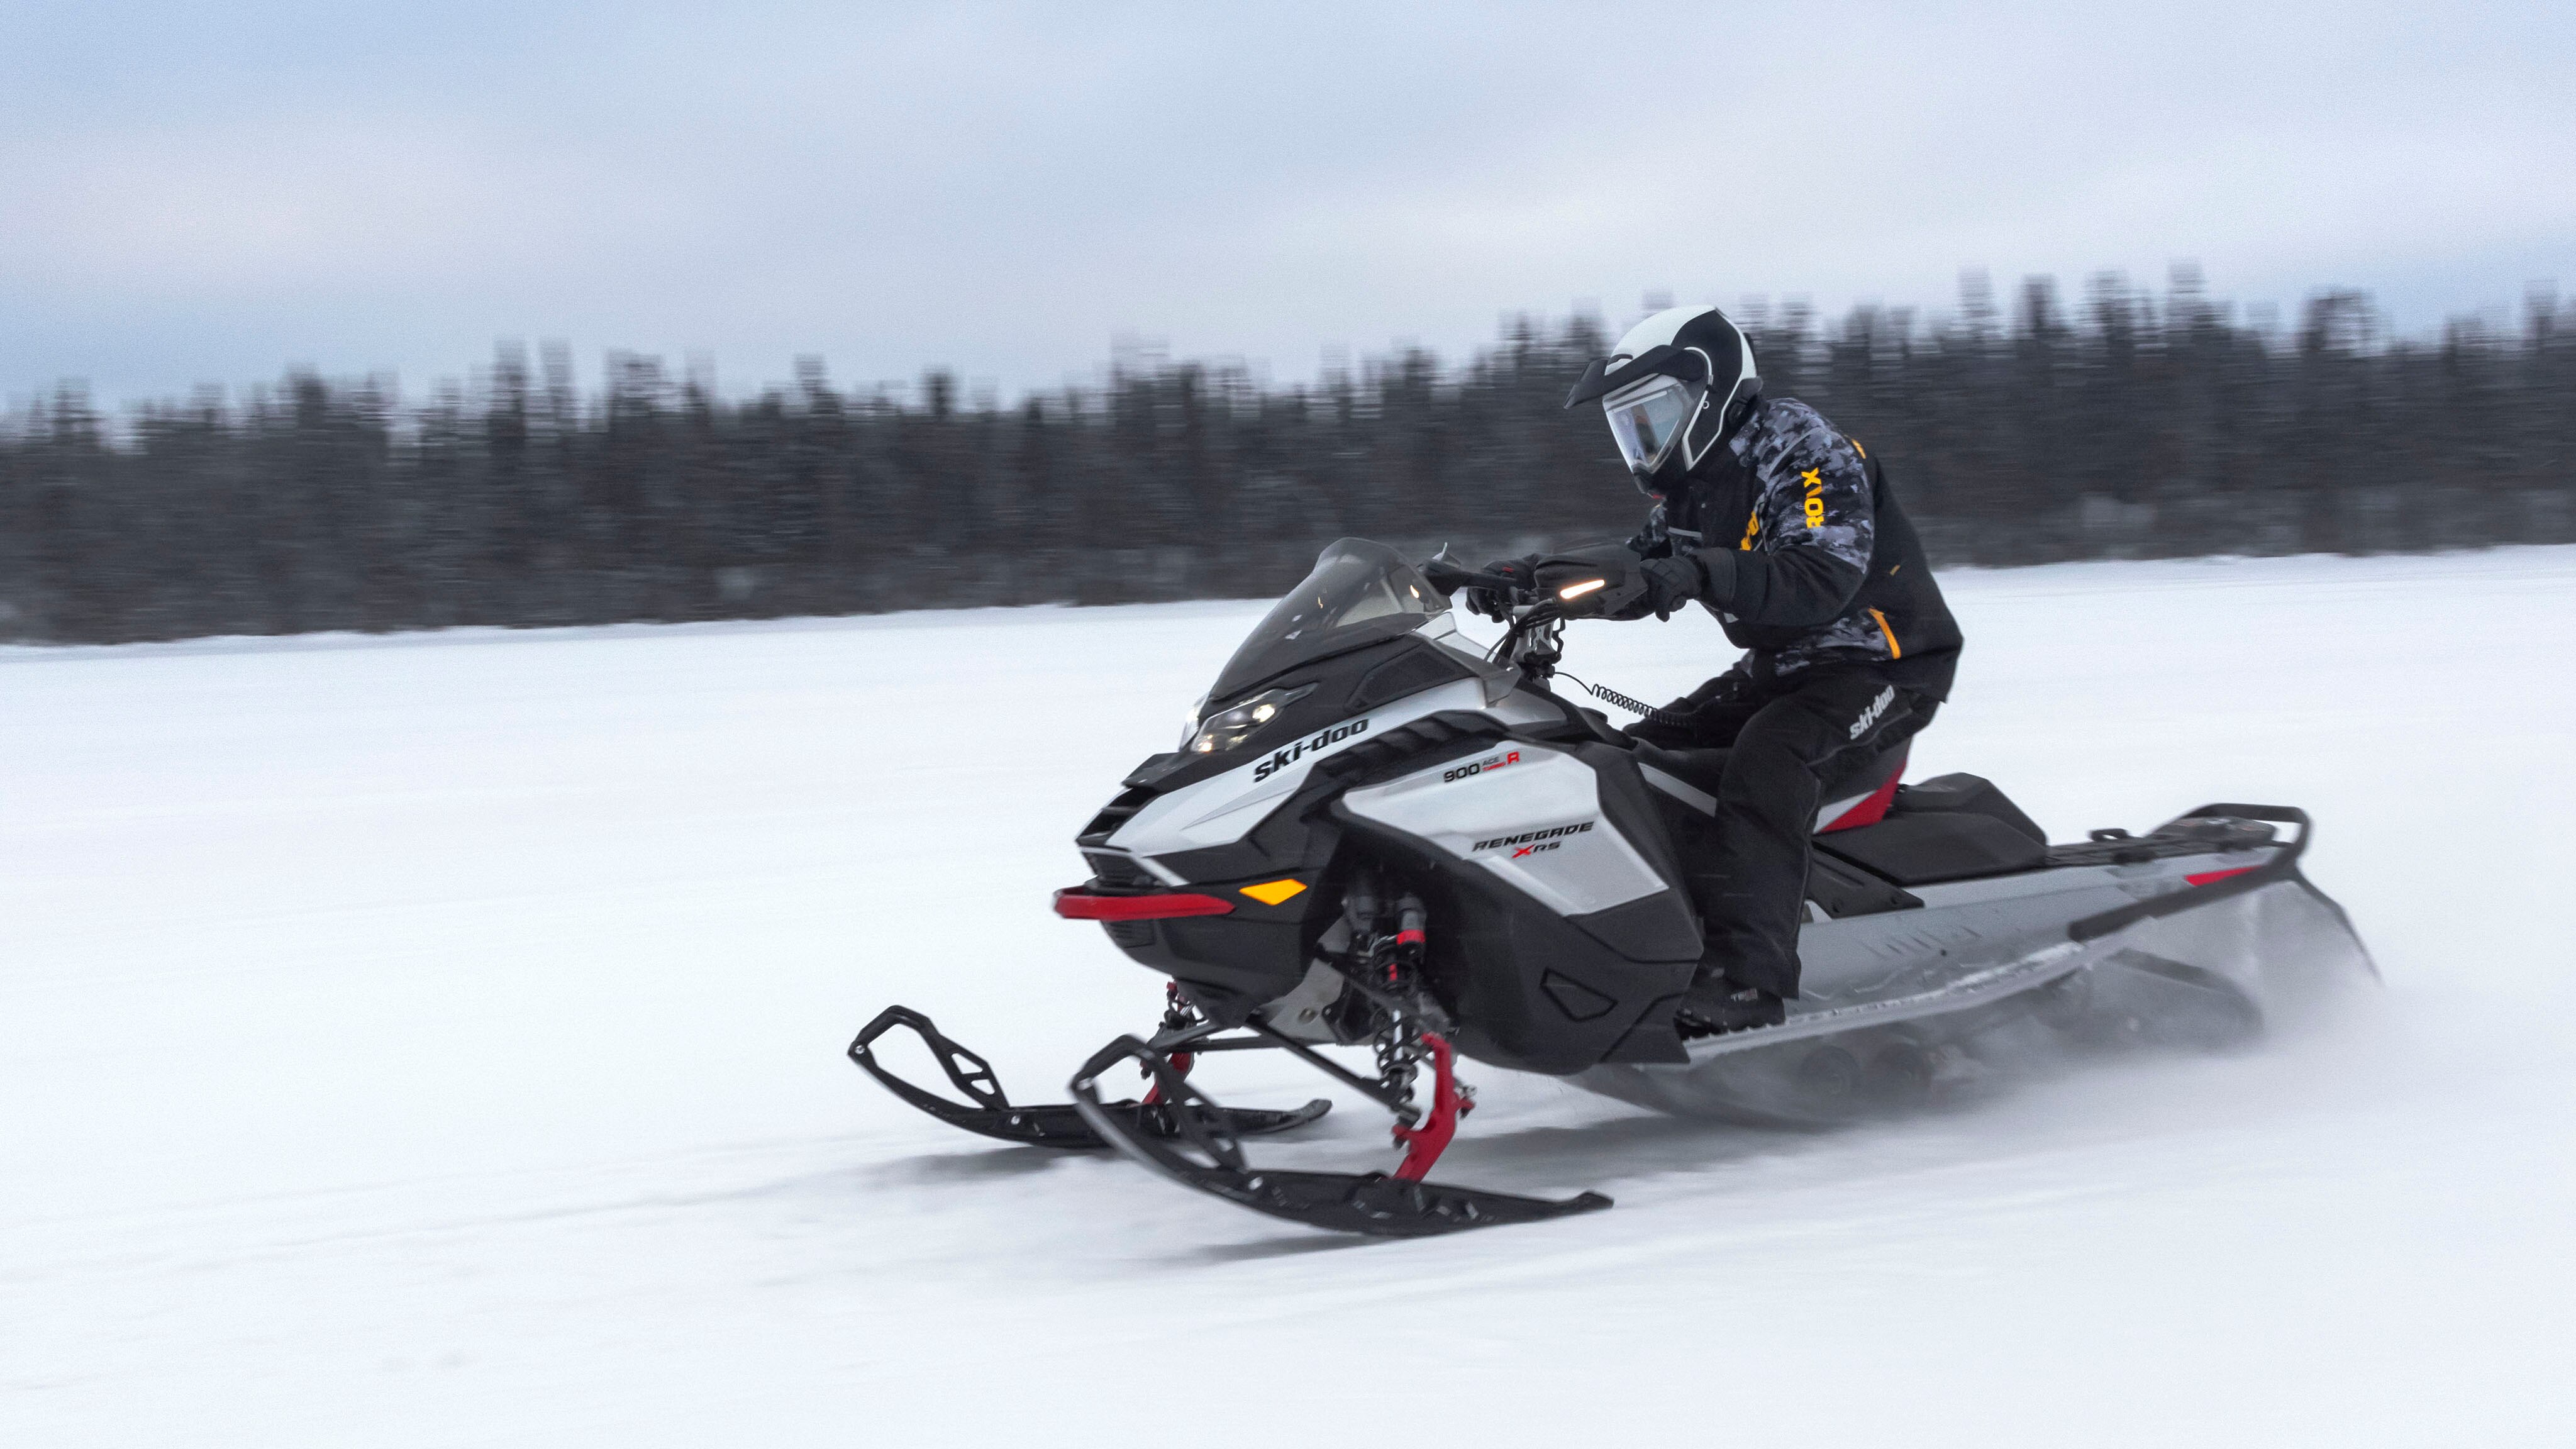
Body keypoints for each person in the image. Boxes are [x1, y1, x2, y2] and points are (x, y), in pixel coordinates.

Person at [1478, 304, 1962, 1032]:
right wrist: (1524, 578)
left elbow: (1819, 575)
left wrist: (1699, 573)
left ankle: (1748, 981)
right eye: (1629, 427)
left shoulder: (1799, 447)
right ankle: (1658, 945)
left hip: (1883, 665)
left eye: (1652, 418)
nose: (1642, 443)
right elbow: (1637, 569)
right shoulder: (1694, 490)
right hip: (1784, 669)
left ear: (1710, 396)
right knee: (1636, 762)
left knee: (1769, 767)